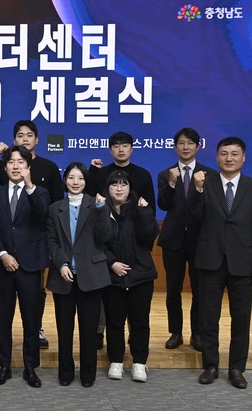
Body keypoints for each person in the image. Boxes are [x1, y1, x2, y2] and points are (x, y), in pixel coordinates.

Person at [189, 136, 252, 389]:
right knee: (208, 317)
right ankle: (210, 365)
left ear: (243, 157)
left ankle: (236, 368)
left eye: (234, 154)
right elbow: (192, 218)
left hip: (243, 262)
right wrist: (197, 191)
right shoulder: (205, 183)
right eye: (224, 154)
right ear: (216, 157)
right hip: (209, 260)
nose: (229, 158)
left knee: (241, 318)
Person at [0, 119, 65, 350]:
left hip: (33, 250)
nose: (24, 139)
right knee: (3, 308)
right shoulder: (4, 171)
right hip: (5, 253)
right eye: (19, 135)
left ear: (37, 139)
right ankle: (3, 346)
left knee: (34, 301)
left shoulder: (47, 168)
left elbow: (54, 209)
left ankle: (37, 330)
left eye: (29, 135)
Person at [86, 131, 156, 348]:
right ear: (110, 150)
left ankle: (135, 341)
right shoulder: (101, 173)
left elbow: (149, 212)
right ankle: (100, 333)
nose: (121, 149)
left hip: (135, 247)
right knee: (108, 306)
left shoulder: (143, 174)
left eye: (125, 145)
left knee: (137, 311)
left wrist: (141, 250)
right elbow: (90, 204)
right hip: (106, 248)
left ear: (132, 148)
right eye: (116, 146)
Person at [0, 146, 49, 388]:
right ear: (5, 168)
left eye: (21, 162)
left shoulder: (40, 192)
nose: (16, 166)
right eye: (11, 162)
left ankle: (30, 367)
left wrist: (30, 186)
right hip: (3, 266)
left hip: (30, 265)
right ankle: (4, 366)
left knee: (31, 320)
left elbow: (42, 217)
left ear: (28, 167)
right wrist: (2, 254)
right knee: (3, 320)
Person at [46, 162, 111, 388]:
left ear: (86, 181)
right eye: (71, 177)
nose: (75, 182)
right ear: (65, 180)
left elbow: (105, 236)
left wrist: (102, 209)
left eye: (80, 178)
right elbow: (51, 240)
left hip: (91, 276)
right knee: (64, 330)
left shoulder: (97, 204)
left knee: (89, 330)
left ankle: (88, 373)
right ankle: (65, 372)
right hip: (62, 276)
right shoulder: (55, 208)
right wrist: (61, 264)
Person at [157, 128, 215, 351]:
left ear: (198, 146)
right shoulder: (166, 174)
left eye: (190, 143)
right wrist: (172, 184)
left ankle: (197, 333)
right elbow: (163, 204)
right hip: (173, 239)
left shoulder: (209, 175)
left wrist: (199, 189)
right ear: (175, 147)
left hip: (200, 240)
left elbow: (208, 208)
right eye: (181, 143)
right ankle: (176, 332)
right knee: (173, 289)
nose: (185, 147)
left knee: (199, 290)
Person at [101, 170, 160, 383]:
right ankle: (116, 361)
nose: (119, 188)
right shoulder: (101, 210)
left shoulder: (140, 209)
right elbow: (97, 241)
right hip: (112, 277)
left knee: (139, 322)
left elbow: (149, 236)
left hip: (140, 276)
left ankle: (139, 362)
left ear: (130, 188)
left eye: (124, 184)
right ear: (107, 188)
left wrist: (144, 212)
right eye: (114, 184)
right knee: (114, 322)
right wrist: (111, 263)